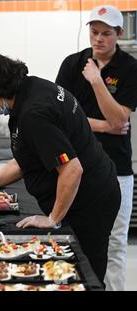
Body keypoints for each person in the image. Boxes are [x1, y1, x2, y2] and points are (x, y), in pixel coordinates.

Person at [0, 51, 120, 284]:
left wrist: (52, 218)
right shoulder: (30, 89)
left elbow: (72, 169)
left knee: (82, 274)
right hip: (90, 188)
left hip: (89, 200)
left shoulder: (33, 113)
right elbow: (28, 159)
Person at [56, 5, 137, 291]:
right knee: (75, 237)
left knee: (115, 241)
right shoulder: (71, 64)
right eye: (93, 32)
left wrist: (96, 81)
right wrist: (104, 126)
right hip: (78, 168)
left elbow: (120, 117)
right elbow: (63, 117)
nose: (98, 39)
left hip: (117, 169)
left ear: (119, 33)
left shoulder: (130, 68)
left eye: (105, 33)